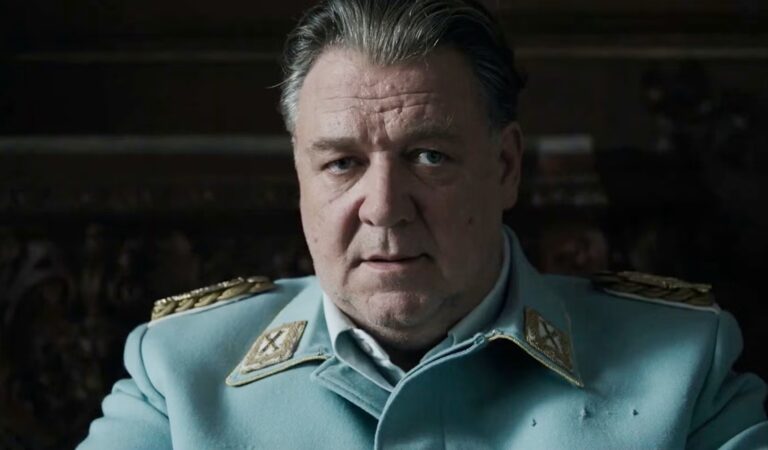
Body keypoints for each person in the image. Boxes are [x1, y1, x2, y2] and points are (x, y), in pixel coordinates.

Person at [79, 0, 768, 448]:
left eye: (429, 156)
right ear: (300, 178)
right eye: (342, 163)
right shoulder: (182, 373)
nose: (384, 206)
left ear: (505, 167)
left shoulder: (681, 369)